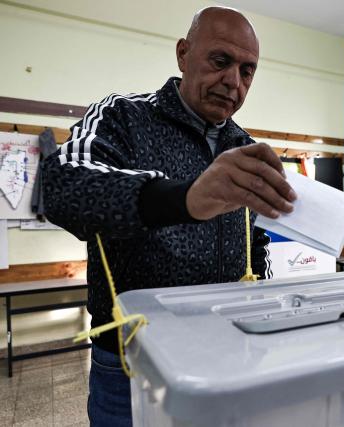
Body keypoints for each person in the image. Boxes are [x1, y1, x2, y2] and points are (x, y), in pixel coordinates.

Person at [43, 7, 296, 427]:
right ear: (183, 54)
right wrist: (184, 199)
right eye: (221, 61)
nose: (233, 81)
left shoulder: (244, 145)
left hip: (226, 353)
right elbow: (62, 186)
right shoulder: (121, 116)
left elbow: (256, 241)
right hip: (130, 363)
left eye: (248, 71)